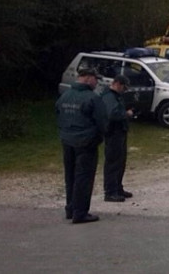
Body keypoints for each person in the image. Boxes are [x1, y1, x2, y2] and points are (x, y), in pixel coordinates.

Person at [55, 67, 107, 224]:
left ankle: (70, 208)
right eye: (95, 79)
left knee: (70, 175)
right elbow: (102, 121)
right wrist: (98, 138)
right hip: (86, 142)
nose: (96, 82)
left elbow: (58, 114)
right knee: (83, 177)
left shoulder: (65, 96)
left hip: (67, 140)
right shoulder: (92, 97)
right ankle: (80, 212)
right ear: (88, 78)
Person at [102, 75, 134, 203]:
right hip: (113, 133)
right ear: (118, 84)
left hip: (120, 132)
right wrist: (126, 114)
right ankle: (110, 191)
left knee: (120, 161)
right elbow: (112, 114)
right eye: (124, 87)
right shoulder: (109, 97)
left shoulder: (116, 96)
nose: (124, 90)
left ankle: (118, 187)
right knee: (113, 162)